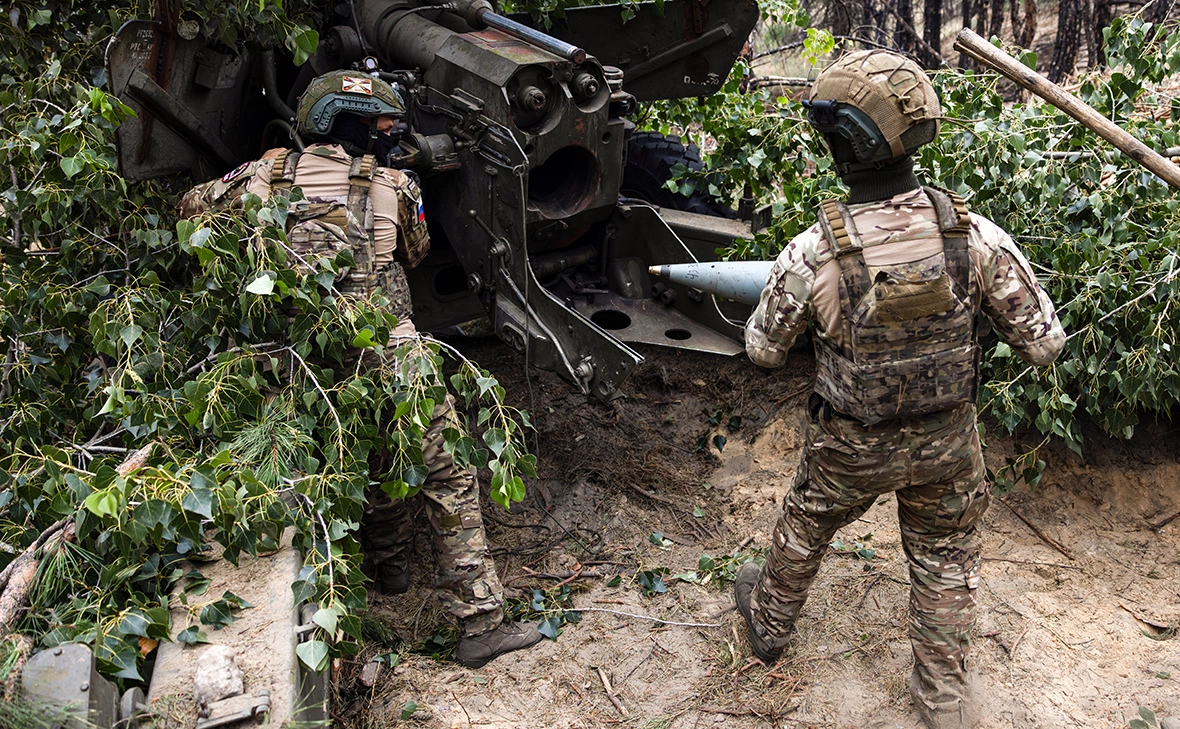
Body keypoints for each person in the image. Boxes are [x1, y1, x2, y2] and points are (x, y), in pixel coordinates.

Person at [735, 51, 1065, 729]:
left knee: (807, 522)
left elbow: (763, 349)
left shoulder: (812, 252)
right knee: (946, 557)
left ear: (839, 145)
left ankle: (767, 628)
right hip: (947, 443)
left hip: (849, 445)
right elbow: (1045, 343)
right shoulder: (973, 236)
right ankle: (942, 700)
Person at [178, 70, 542, 669]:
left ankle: (388, 565)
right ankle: (478, 623)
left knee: (345, 463)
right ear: (349, 125)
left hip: (299, 362)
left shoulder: (265, 177)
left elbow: (194, 214)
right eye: (379, 126)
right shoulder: (397, 186)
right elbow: (416, 252)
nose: (388, 135)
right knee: (442, 474)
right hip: (390, 354)